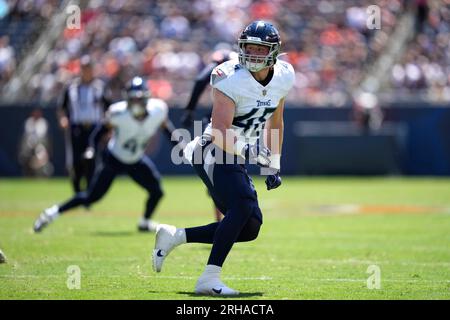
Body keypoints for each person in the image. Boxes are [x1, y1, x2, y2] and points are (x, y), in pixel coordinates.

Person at [151, 21, 295, 295]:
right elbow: (219, 130)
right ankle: (208, 278)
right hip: (211, 148)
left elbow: (276, 121)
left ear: (273, 52)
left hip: (234, 155)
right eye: (248, 48)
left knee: (250, 227)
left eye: (259, 49)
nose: (252, 54)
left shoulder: (284, 76)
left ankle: (176, 236)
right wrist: (252, 152)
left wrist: (274, 163)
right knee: (242, 204)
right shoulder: (229, 76)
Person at [34, 77, 173, 233]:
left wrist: (180, 146)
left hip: (135, 159)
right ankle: (51, 213)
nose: (135, 102)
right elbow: (97, 133)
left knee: (157, 191)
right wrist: (91, 149)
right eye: (132, 98)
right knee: (91, 197)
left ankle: (144, 222)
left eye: (138, 98)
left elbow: (167, 128)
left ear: (146, 98)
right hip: (114, 158)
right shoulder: (118, 113)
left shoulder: (158, 110)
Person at [180, 46, 238, 223]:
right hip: (238, 121)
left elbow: (200, 79)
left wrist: (189, 109)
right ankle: (223, 222)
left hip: (224, 119)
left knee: (221, 172)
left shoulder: (225, 57)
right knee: (225, 170)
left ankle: (221, 221)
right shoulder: (244, 64)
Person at [58, 55, 110, 194]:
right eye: (85, 68)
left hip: (94, 127)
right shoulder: (71, 87)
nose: (87, 71)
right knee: (75, 160)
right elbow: (62, 107)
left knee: (91, 159)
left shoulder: (100, 87)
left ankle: (89, 191)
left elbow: (108, 108)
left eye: (89, 68)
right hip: (76, 127)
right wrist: (63, 119)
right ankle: (77, 191)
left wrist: (108, 128)